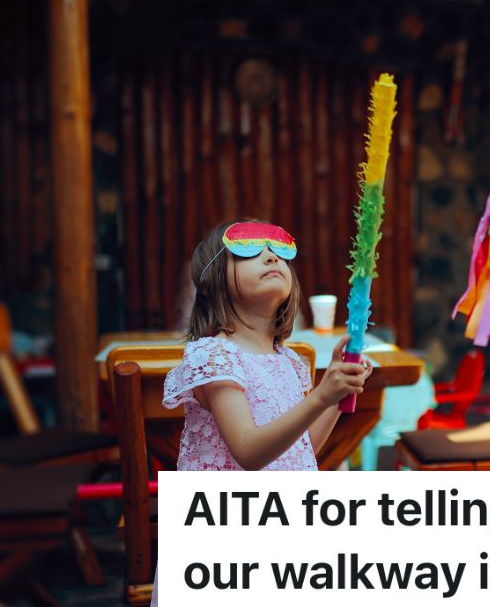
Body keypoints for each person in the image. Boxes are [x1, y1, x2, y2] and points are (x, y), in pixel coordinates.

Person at [150, 219, 370, 603]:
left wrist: (334, 396)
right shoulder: (214, 355)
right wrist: (319, 398)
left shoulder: (288, 361)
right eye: (248, 251)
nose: (271, 256)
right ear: (216, 276)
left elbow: (302, 450)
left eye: (282, 252)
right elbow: (249, 452)